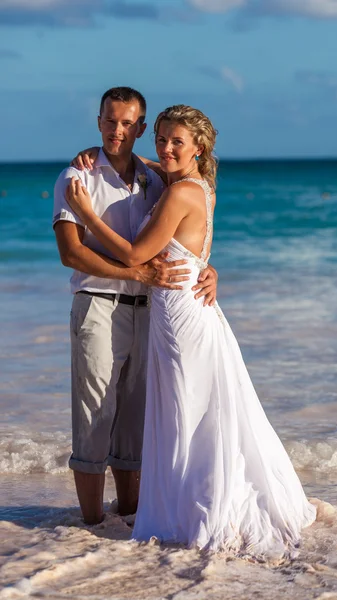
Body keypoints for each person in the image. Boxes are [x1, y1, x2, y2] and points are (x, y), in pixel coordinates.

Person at [66, 104, 316, 558]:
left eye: (176, 140)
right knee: (189, 410)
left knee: (187, 410)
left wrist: (87, 211)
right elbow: (184, 234)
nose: (165, 147)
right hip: (182, 311)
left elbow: (136, 253)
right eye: (160, 138)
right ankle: (180, 503)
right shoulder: (190, 184)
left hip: (182, 316)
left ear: (199, 147)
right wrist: (101, 150)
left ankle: (193, 510)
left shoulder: (181, 193)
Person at [53, 88, 218, 525]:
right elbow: (71, 254)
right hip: (98, 304)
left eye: (128, 124)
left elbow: (185, 237)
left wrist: (208, 268)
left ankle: (128, 514)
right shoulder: (78, 177)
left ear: (140, 128)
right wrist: (137, 273)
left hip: (152, 311)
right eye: (110, 122)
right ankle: (89, 523)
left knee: (135, 416)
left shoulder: (159, 179)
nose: (117, 131)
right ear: (99, 121)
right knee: (94, 412)